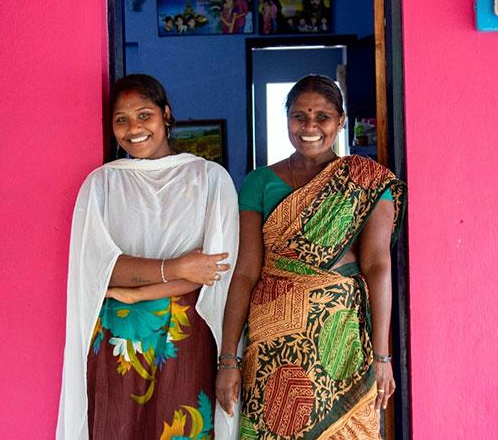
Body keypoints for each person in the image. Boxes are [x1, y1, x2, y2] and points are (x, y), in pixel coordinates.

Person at [216, 75, 406, 439]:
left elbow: (377, 266)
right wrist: (228, 359)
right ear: (286, 118)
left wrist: (382, 357)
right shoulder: (259, 183)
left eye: (323, 116)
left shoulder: (367, 183)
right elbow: (244, 273)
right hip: (272, 345)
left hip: (342, 341)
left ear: (341, 120)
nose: (310, 127)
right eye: (299, 116)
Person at [56, 74, 240, 439]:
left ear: (166, 115)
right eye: (121, 119)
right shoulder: (101, 185)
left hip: (186, 335)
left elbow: (216, 271)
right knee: (117, 427)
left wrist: (138, 288)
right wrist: (176, 267)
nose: (133, 128)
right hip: (119, 339)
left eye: (144, 115)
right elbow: (96, 270)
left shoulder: (209, 178)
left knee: (182, 427)